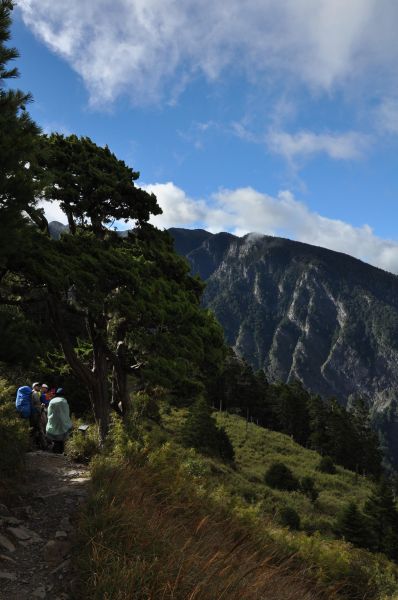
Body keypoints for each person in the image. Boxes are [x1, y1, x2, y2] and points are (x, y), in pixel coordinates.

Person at [46, 388, 73, 454]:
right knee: (61, 440)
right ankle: (61, 452)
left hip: (52, 423)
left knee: (55, 441)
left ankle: (55, 451)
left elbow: (49, 413)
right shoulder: (64, 401)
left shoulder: (52, 401)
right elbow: (66, 413)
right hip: (62, 424)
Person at [30, 382, 47, 450]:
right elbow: (37, 405)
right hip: (36, 414)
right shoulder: (35, 393)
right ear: (34, 387)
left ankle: (33, 445)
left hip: (33, 414)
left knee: (34, 430)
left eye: (39, 386)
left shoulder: (31, 393)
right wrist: (42, 408)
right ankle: (43, 446)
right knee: (40, 429)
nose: (39, 387)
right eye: (37, 386)